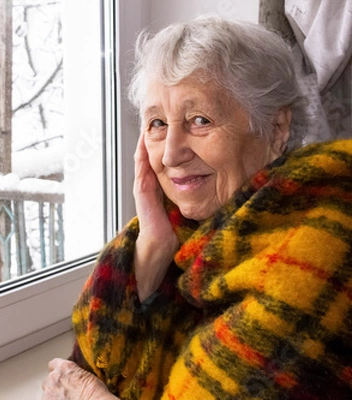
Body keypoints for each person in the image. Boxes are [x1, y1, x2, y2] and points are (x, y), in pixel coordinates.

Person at [41, 16, 352, 400]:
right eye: (157, 123)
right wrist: (152, 249)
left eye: (199, 120)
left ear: (276, 130)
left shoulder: (319, 249)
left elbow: (80, 384)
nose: (171, 153)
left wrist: (93, 396)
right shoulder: (189, 231)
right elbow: (87, 364)